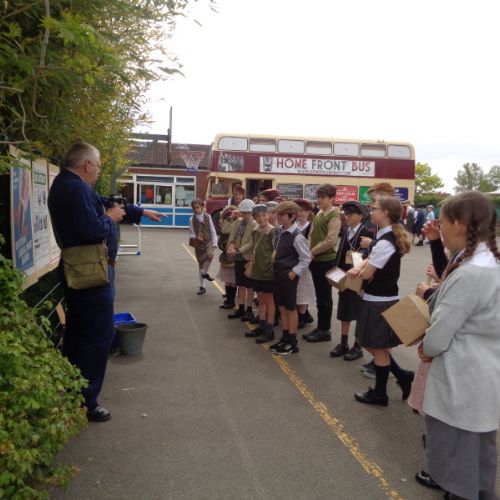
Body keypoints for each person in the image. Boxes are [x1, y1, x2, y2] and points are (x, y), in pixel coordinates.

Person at [48, 142, 162, 422]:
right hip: (92, 274)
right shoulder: (77, 189)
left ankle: (73, 389)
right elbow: (92, 229)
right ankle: (88, 402)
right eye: (97, 166)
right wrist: (111, 219)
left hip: (78, 270)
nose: (98, 171)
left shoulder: (66, 184)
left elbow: (102, 201)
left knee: (78, 332)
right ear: (87, 164)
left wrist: (139, 212)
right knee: (96, 337)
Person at [419, 191, 500, 500]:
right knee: (479, 458)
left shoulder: (469, 274)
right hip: (486, 372)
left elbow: (439, 335)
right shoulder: (491, 264)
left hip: (461, 377)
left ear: (458, 225)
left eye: (441, 223)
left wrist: (426, 348)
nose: (439, 230)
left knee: (458, 463)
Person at [347, 196, 414, 406]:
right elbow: (370, 259)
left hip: (380, 300)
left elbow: (368, 274)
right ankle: (401, 376)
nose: (371, 212)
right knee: (374, 345)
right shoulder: (384, 236)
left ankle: (380, 394)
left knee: (375, 345)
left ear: (385, 212)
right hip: (378, 298)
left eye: (374, 208)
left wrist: (357, 271)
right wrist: (360, 266)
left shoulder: (386, 241)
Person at [329, 201, 371, 361]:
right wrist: (336, 271)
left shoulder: (366, 232)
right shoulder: (346, 231)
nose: (347, 217)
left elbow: (370, 256)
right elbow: (340, 253)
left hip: (358, 277)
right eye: (346, 214)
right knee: (344, 311)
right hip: (344, 275)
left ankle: (357, 346)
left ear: (361, 216)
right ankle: (343, 343)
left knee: (359, 312)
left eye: (351, 214)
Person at [268, 201, 311, 355]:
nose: (278, 217)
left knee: (291, 309)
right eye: (278, 214)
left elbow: (306, 258)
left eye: (282, 215)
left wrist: (294, 272)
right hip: (278, 274)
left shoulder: (296, 236)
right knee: (282, 308)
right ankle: (285, 338)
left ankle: (292, 342)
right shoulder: (280, 232)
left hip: (288, 277)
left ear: (292, 217)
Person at [303, 184, 341, 343]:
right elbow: (311, 234)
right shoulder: (319, 213)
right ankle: (321, 327)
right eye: (318, 197)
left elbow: (330, 240)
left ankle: (325, 330)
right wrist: (307, 250)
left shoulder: (334, 215)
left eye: (323, 197)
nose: (319, 200)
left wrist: (312, 252)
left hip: (326, 260)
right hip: (315, 259)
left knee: (325, 296)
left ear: (332, 198)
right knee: (319, 296)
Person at [244, 204, 276, 344]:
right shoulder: (256, 231)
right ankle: (262, 326)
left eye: (264, 215)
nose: (261, 218)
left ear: (268, 215)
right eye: (258, 216)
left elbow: (275, 252)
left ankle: (269, 330)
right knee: (261, 300)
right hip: (257, 271)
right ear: (255, 218)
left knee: (269, 301)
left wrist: (271, 267)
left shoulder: (273, 231)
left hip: (268, 272)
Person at [226, 199, 258, 321]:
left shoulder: (255, 224)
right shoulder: (238, 221)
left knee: (249, 286)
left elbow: (251, 242)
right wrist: (230, 217)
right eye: (244, 212)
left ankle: (249, 310)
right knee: (240, 284)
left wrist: (238, 251)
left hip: (247, 258)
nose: (246, 215)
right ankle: (240, 308)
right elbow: (225, 230)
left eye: (248, 213)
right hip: (238, 257)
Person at [294, 198, 316, 329]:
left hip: (305, 262)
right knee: (296, 290)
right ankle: (305, 314)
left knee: (303, 290)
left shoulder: (311, 226)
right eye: (298, 211)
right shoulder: (294, 225)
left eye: (302, 211)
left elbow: (312, 244)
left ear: (308, 212)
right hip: (293, 261)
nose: (300, 214)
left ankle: (302, 316)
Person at [188, 198, 218, 295]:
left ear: (202, 207)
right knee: (201, 264)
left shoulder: (208, 217)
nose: (196, 210)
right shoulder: (191, 219)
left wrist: (215, 242)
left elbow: (212, 230)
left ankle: (205, 274)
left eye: (197, 207)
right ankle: (202, 286)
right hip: (199, 243)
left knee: (210, 255)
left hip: (208, 241)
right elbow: (191, 233)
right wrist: (195, 237)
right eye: (194, 208)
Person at [217, 205, 238, 309]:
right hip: (226, 256)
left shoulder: (239, 226)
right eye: (229, 216)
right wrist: (226, 247)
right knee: (227, 280)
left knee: (233, 281)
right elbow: (220, 241)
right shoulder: (226, 225)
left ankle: (231, 301)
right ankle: (228, 300)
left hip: (236, 255)